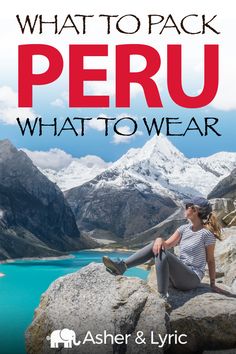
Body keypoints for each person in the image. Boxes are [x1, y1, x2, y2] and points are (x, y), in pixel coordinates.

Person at [103, 196, 227, 301]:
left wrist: (212, 284)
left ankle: (162, 296)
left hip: (192, 278)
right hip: (178, 275)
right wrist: (159, 239)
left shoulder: (206, 234)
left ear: (195, 210)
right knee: (156, 246)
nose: (185, 207)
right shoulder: (183, 229)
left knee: (163, 254)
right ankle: (122, 266)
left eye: (187, 206)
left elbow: (210, 260)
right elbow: (166, 244)